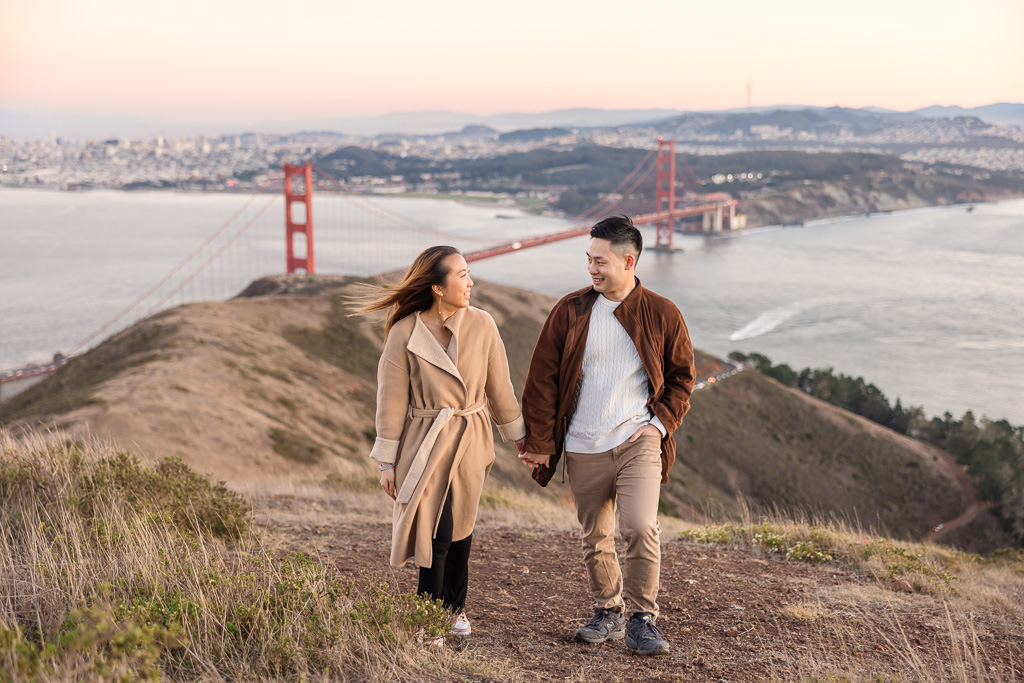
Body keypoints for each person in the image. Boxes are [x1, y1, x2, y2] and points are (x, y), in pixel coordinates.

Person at [519, 215, 695, 656]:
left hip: (638, 439)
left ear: (628, 261)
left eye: (600, 262)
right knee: (596, 536)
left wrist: (657, 425)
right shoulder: (571, 310)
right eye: (589, 260)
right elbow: (541, 379)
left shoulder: (662, 312)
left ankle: (642, 619)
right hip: (582, 443)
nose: (592, 269)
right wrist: (540, 444)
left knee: (639, 526)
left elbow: (682, 378)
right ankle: (609, 611)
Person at [355, 245, 526, 644]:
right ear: (436, 287)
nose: (471, 282)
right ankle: (427, 617)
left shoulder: (483, 324)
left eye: (469, 273)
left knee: (461, 526)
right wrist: (386, 462)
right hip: (425, 441)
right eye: (462, 275)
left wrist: (519, 440)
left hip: (470, 437)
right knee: (436, 530)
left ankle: (454, 608)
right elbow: (391, 401)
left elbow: (499, 388)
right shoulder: (404, 332)